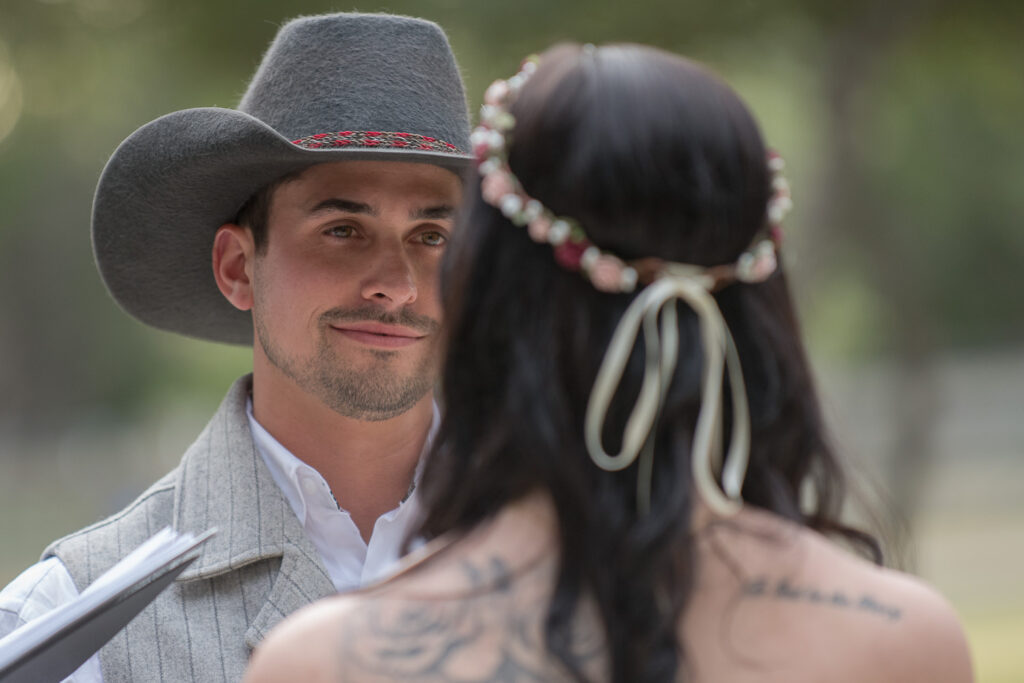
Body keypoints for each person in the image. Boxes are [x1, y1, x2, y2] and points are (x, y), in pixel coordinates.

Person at [244, 43, 974, 683]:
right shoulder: (902, 638)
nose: (399, 284)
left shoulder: (327, 662)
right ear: (761, 304)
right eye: (342, 229)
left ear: (487, 301)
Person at [0, 12, 472, 682]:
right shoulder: (70, 624)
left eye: (432, 236)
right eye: (343, 230)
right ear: (237, 267)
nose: (396, 286)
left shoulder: (591, 566)